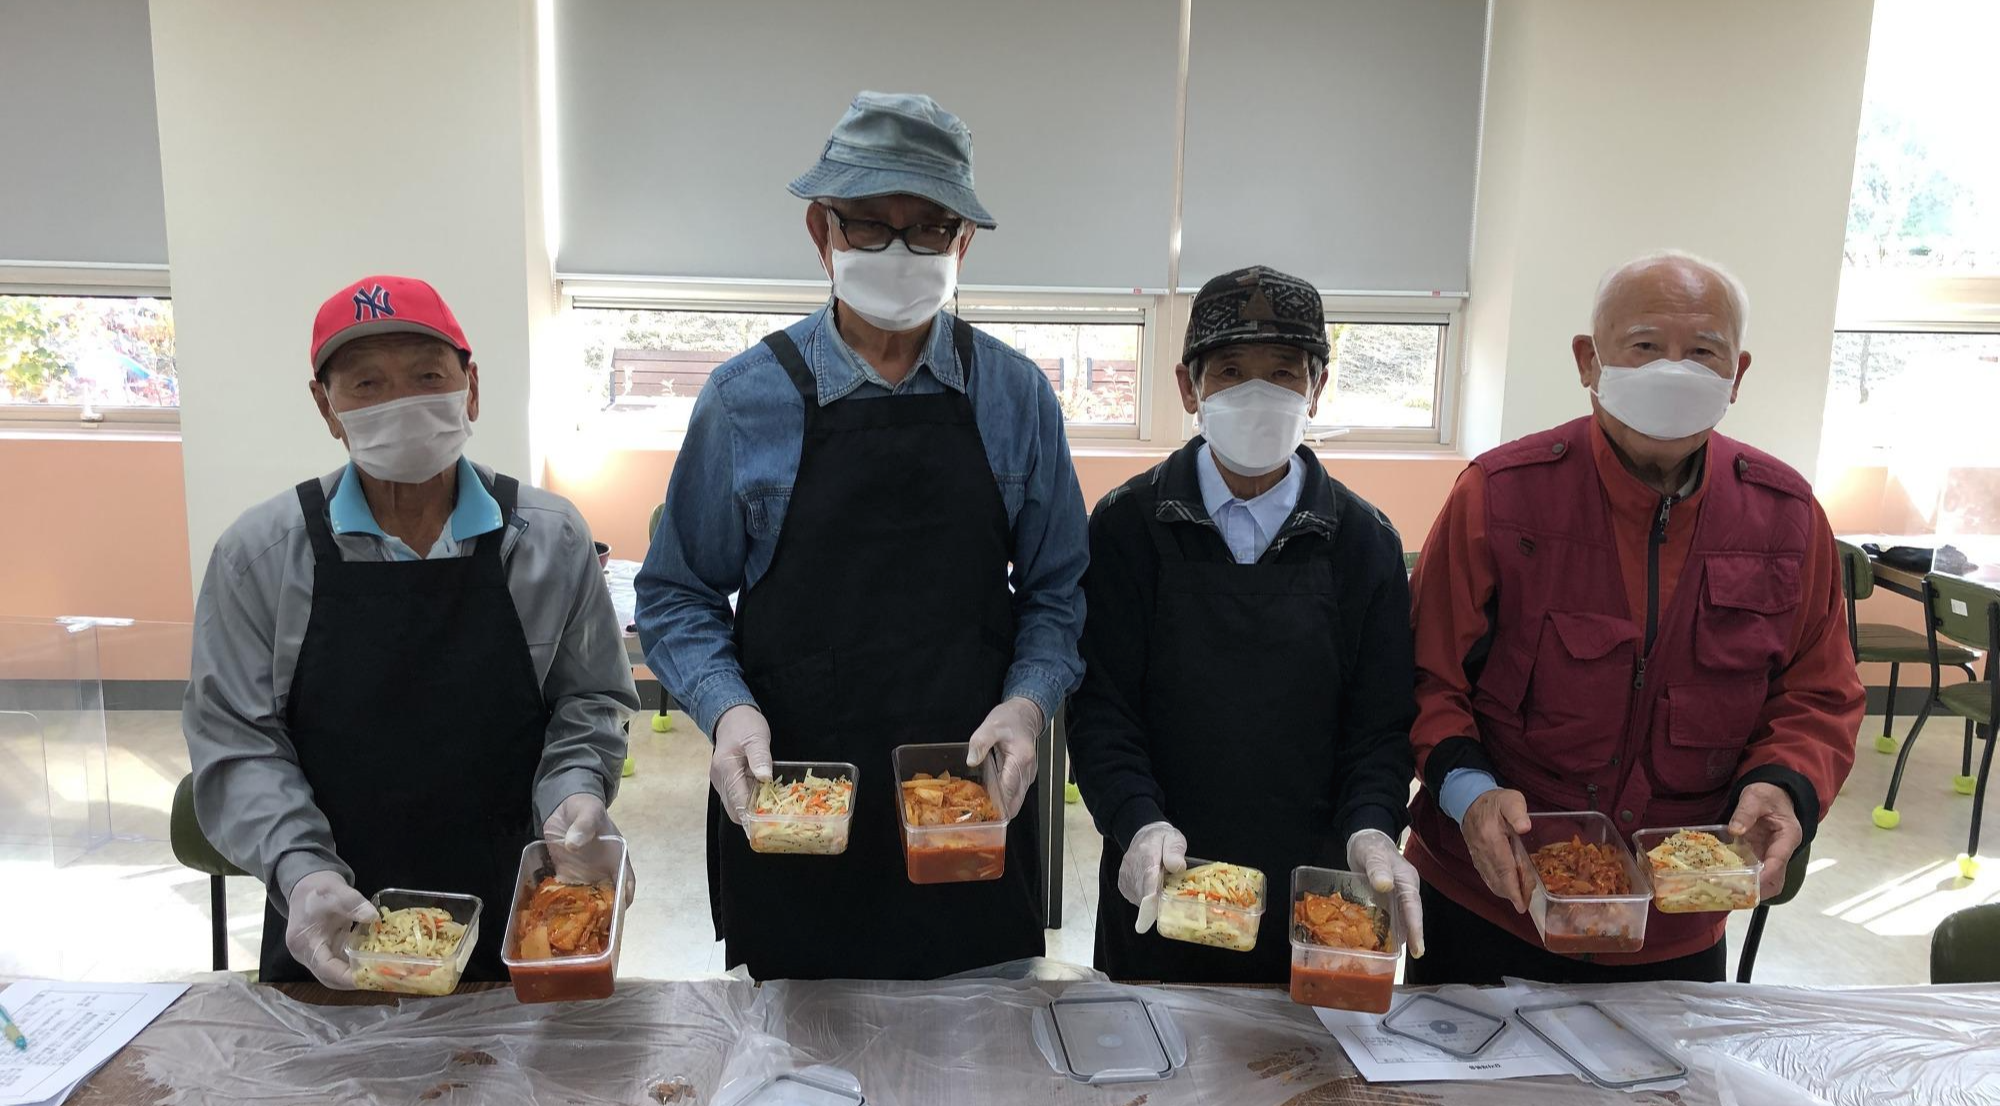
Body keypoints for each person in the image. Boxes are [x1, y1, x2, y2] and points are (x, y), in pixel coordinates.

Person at [635, 92, 1088, 980]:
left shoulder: (1015, 397)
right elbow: (678, 592)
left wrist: (1029, 705)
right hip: (793, 808)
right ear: (822, 232)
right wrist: (727, 712)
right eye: (871, 225)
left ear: (962, 242)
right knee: (795, 1043)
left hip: (970, 809)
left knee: (977, 1040)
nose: (900, 251)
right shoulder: (743, 401)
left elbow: (1058, 590)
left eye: (929, 228)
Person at [1404, 250, 1864, 985]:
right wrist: (1469, 793)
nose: (1673, 371)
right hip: (1491, 896)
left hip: (1675, 921)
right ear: (1589, 361)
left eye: (1703, 352)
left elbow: (1820, 693)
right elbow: (1428, 676)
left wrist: (1786, 785)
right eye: (1645, 346)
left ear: (1738, 373)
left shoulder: (1787, 517)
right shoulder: (1501, 496)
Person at [184, 275, 637, 988]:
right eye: (367, 384)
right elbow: (236, 738)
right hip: (335, 926)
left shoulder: (550, 539)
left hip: (525, 914)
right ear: (326, 407)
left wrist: (575, 796)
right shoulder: (261, 555)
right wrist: (300, 870)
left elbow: (588, 700)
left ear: (471, 389)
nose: (400, 404)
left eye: (427, 377)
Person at [1067, 265, 1424, 982]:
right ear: (1188, 387)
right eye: (1230, 371)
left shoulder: (1364, 542)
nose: (1257, 393)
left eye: (1284, 372)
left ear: (1317, 388)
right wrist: (1137, 821)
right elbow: (1102, 711)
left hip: (1316, 904)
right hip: (1163, 884)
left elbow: (1380, 730)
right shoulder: (1127, 526)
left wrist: (1372, 830)